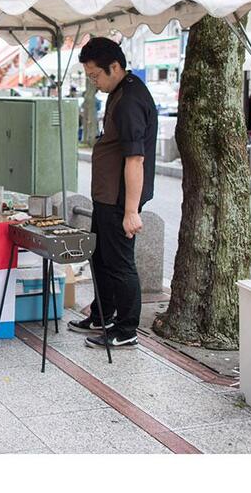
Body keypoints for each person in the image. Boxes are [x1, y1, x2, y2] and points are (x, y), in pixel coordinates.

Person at [69, 37, 157, 350]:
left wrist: (131, 211)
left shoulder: (131, 98)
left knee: (120, 263)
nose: (94, 82)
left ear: (114, 67)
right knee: (102, 258)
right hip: (107, 196)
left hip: (121, 199)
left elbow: (136, 158)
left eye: (95, 76)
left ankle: (126, 328)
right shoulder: (119, 91)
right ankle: (102, 314)